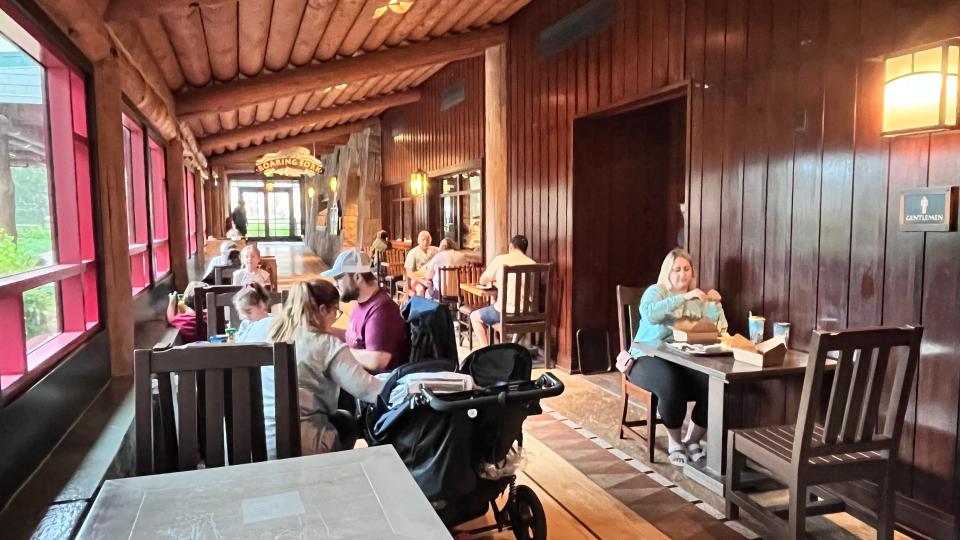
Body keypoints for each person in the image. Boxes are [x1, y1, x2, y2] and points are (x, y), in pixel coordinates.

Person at [615, 248, 727, 467]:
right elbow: (650, 314)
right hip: (643, 357)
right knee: (670, 382)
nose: (682, 274)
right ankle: (675, 442)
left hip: (682, 359)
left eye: (686, 269)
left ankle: (692, 440)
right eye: (676, 269)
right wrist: (683, 297)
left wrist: (715, 304)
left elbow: (720, 327)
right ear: (667, 272)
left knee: (714, 384)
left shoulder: (697, 298)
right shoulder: (656, 292)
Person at [268, 280, 383, 455]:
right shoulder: (325, 345)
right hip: (301, 443)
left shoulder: (273, 331)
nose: (335, 318)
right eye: (336, 312)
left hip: (257, 443)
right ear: (323, 310)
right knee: (348, 423)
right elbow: (369, 391)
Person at [322, 249, 410, 374]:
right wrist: (326, 331)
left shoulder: (381, 309)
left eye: (339, 278)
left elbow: (377, 359)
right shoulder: (362, 302)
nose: (335, 284)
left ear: (357, 277)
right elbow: (354, 338)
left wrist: (336, 351)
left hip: (374, 386)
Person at [470, 234, 535, 347]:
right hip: (528, 312)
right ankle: (512, 345)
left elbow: (482, 280)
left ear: (511, 247)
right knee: (513, 311)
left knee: (474, 316)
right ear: (524, 249)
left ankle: (486, 351)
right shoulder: (533, 263)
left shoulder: (501, 259)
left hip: (505, 312)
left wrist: (496, 280)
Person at [405, 230, 438, 296]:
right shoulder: (413, 252)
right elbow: (408, 272)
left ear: (430, 241)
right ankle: (421, 306)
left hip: (433, 279)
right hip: (418, 280)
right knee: (420, 290)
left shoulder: (435, 250)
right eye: (423, 240)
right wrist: (423, 281)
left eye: (428, 240)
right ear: (418, 241)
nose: (425, 242)